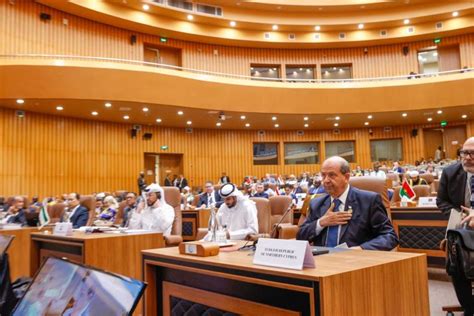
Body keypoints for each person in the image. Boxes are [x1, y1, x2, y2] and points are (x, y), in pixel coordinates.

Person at [297, 156, 398, 250]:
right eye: (323, 175)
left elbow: (390, 237)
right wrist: (320, 223)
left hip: (356, 263)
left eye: (332, 175)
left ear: (346, 177)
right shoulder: (316, 203)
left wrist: (362, 249)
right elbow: (300, 236)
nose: (326, 180)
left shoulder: (368, 201)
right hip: (323, 263)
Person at [436, 137, 474, 314]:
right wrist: (461, 215)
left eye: (472, 154)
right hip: (460, 228)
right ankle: (469, 308)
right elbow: (441, 200)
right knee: (456, 266)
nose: (467, 157)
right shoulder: (450, 172)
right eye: (464, 153)